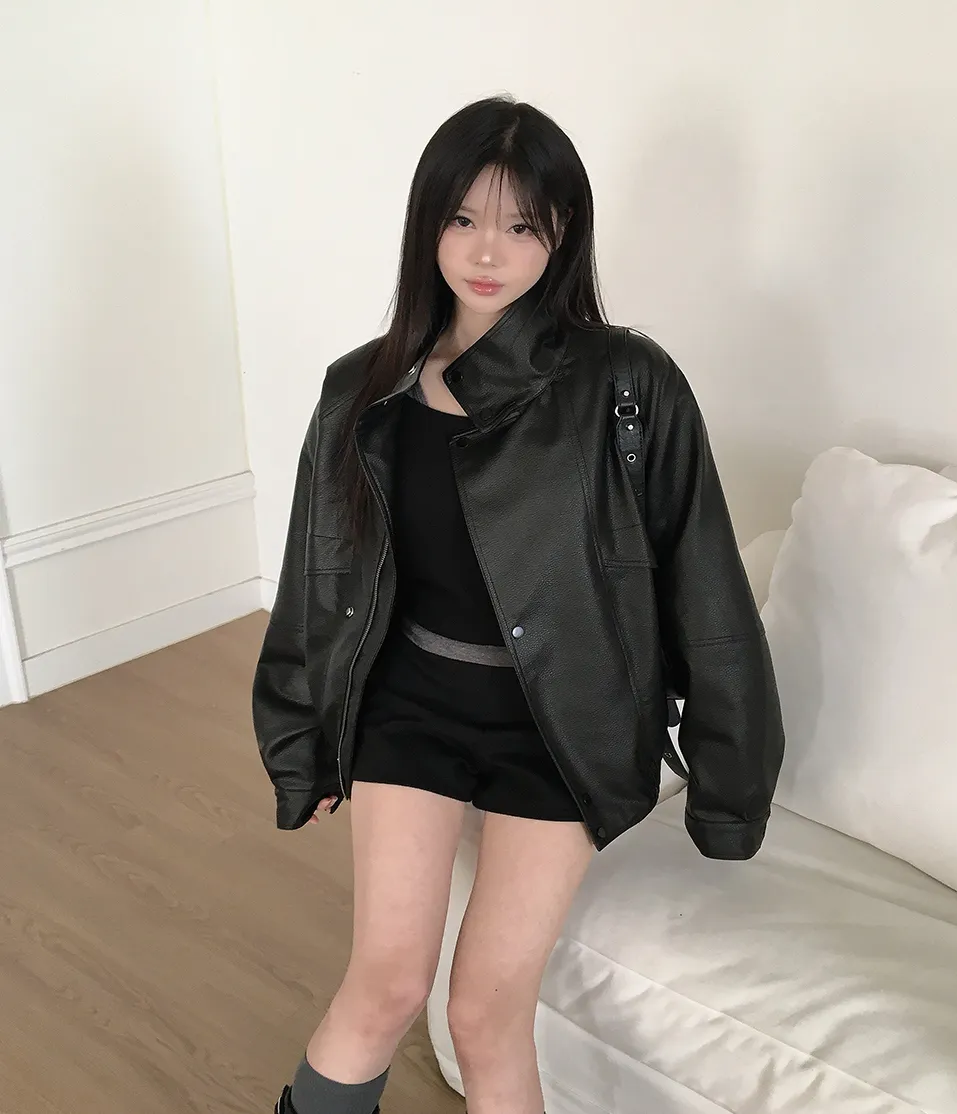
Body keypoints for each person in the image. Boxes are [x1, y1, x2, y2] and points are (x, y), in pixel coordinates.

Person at [253, 94, 784, 1114]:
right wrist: (301, 738)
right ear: (427, 223)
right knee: (385, 984)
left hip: (562, 723)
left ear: (564, 232)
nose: (486, 251)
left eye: (522, 224)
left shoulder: (630, 385)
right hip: (411, 706)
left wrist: (731, 781)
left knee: (483, 1014)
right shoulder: (361, 391)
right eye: (462, 218)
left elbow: (706, 584)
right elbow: (318, 584)